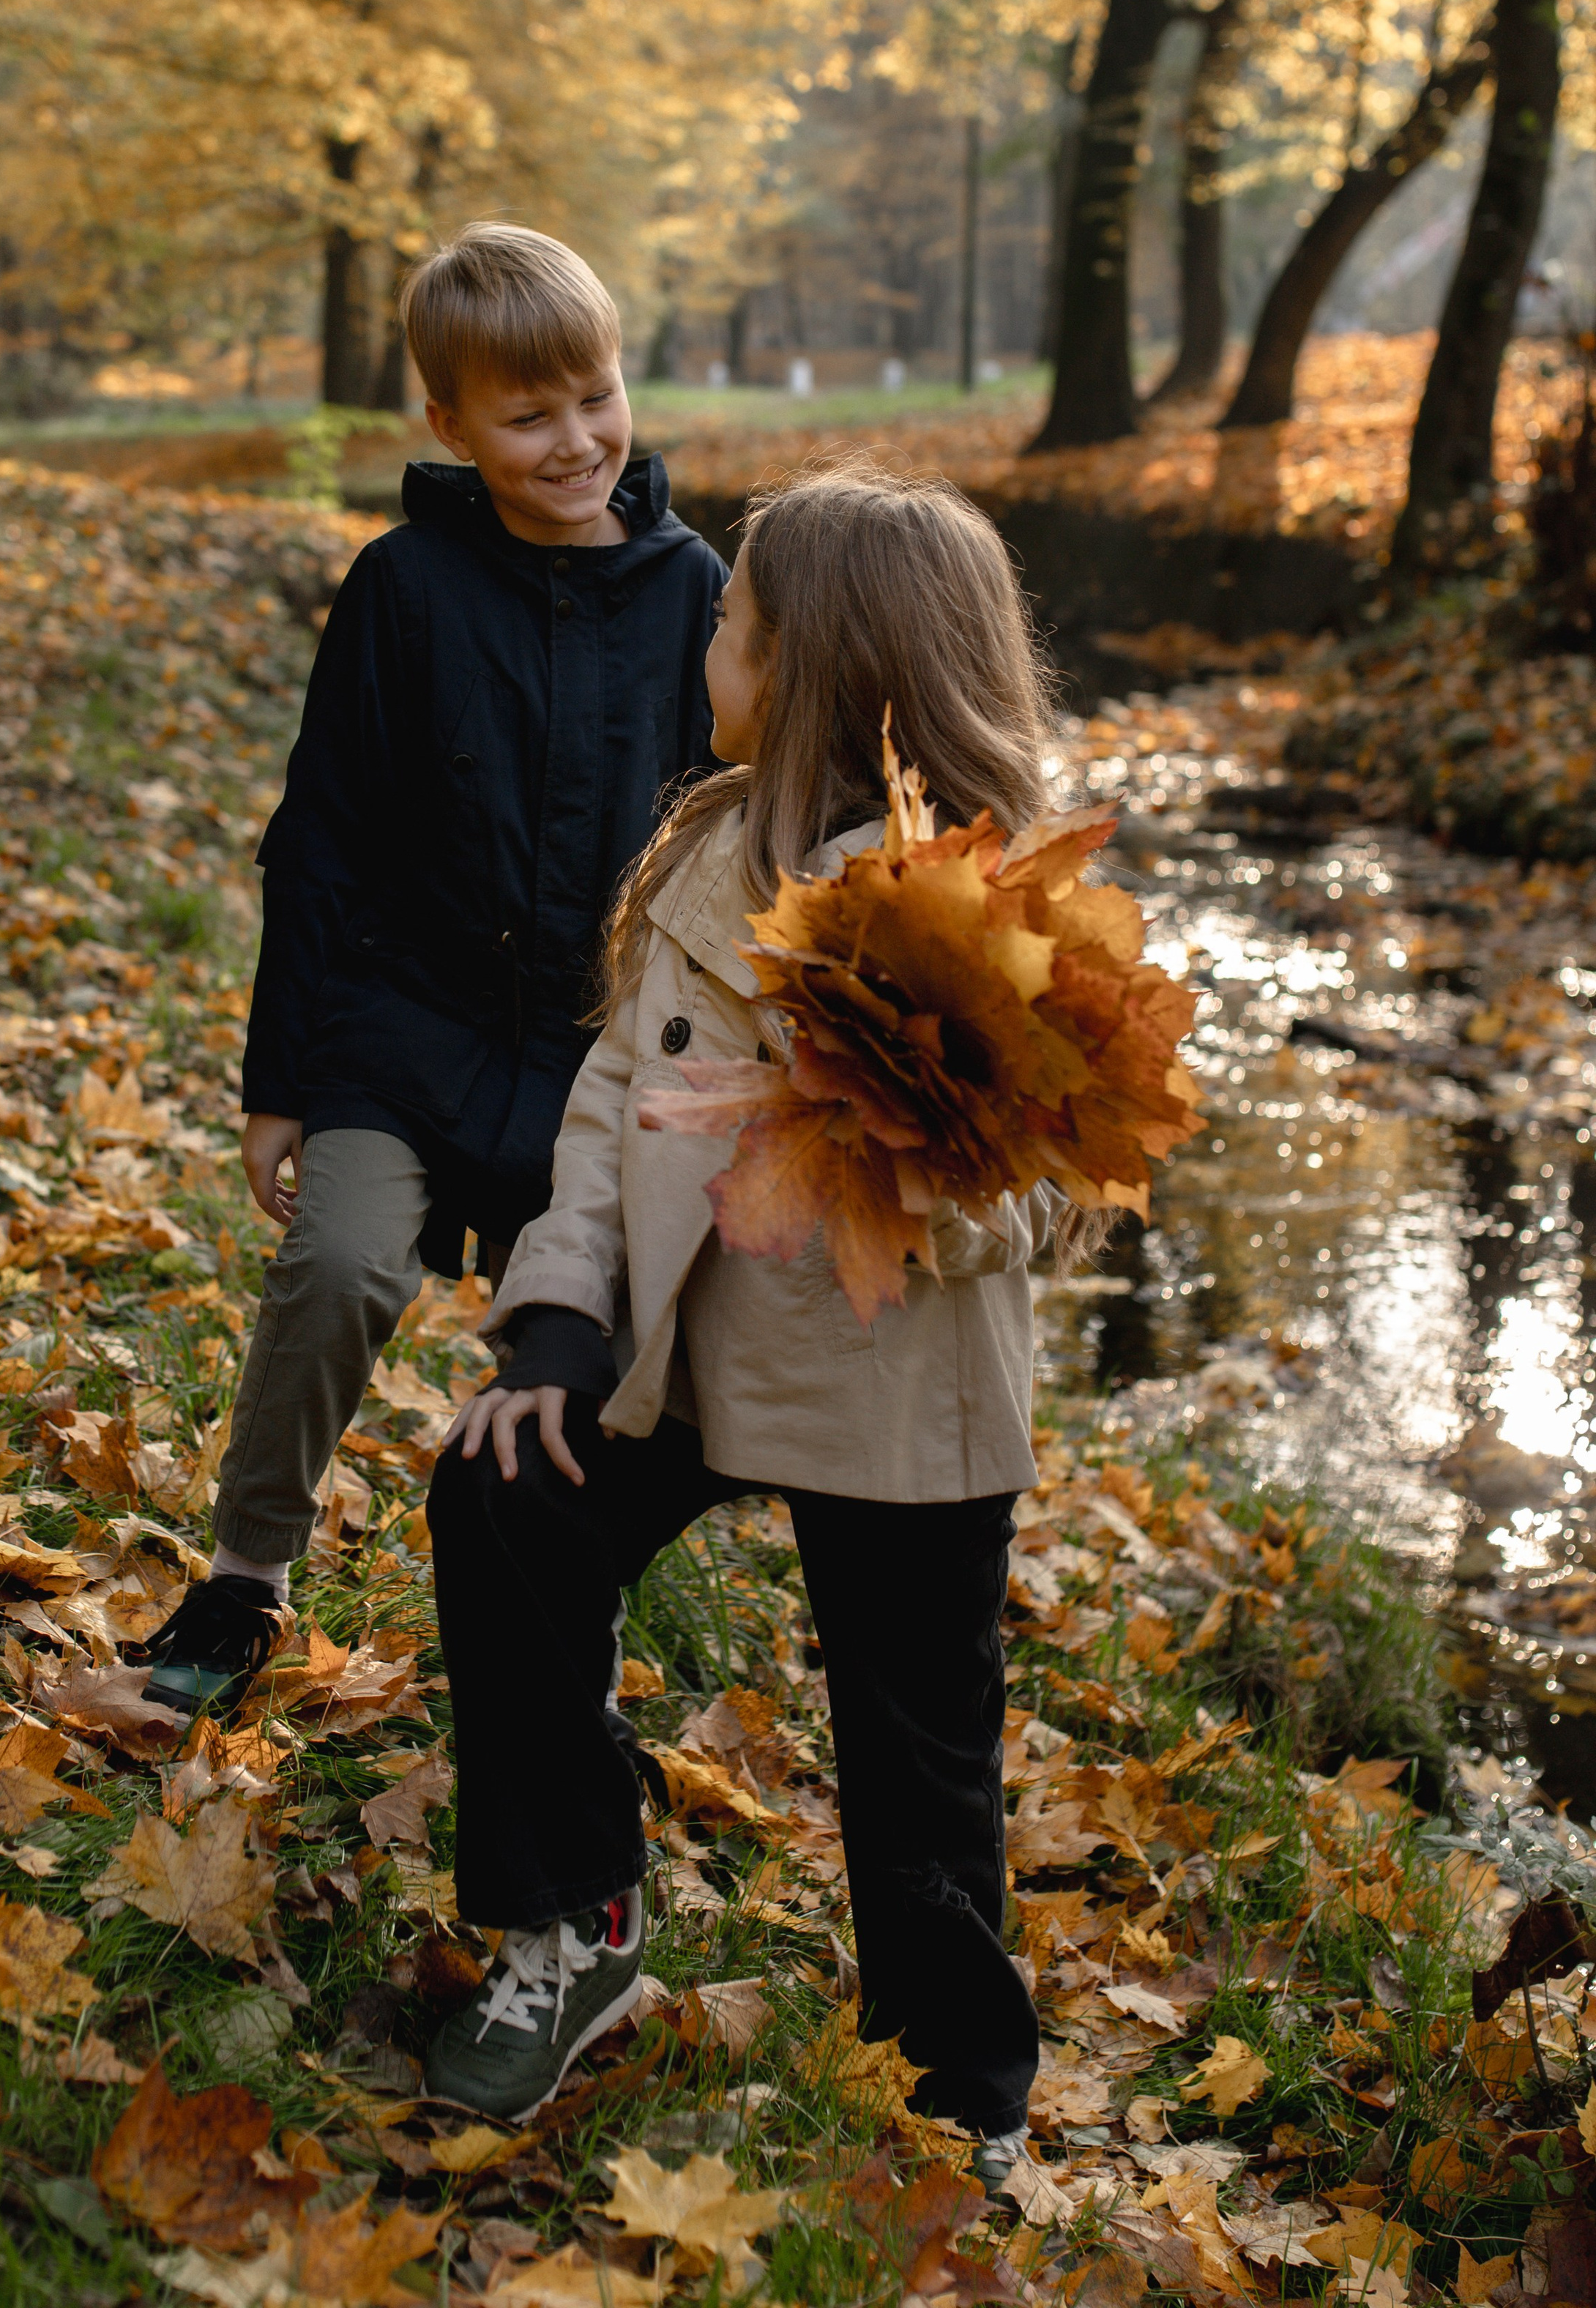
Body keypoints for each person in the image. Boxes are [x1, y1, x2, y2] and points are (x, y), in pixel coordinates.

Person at [422, 464, 1086, 2176]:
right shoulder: (712, 850)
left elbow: (1041, 1196)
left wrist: (894, 1122)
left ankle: (958, 2093)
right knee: (503, 1503)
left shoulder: (979, 904)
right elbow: (600, 1111)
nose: (707, 632)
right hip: (680, 1355)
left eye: (733, 617)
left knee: (915, 1748)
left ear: (811, 665)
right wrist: (554, 1330)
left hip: (893, 1392)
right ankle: (572, 1919)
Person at [130, 223, 726, 1713]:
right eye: (526, 418)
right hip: (409, 1027)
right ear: (449, 426)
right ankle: (244, 1575)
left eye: (593, 396)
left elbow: (736, 836)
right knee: (335, 1263)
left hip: (598, 1057)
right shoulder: (400, 589)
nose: (575, 440)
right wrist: (285, 1082)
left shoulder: (693, 590)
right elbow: (320, 841)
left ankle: (558, 1637)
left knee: (575, 1344)